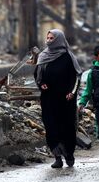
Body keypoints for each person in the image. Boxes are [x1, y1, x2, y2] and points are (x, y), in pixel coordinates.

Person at [34, 29, 82, 168]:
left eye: (52, 38)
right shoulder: (43, 56)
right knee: (51, 127)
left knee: (67, 127)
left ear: (59, 39)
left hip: (66, 99)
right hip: (49, 99)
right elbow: (37, 75)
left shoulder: (68, 56)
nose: (48, 40)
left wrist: (72, 92)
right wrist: (41, 84)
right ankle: (57, 157)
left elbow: (77, 77)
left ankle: (69, 155)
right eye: (47, 38)